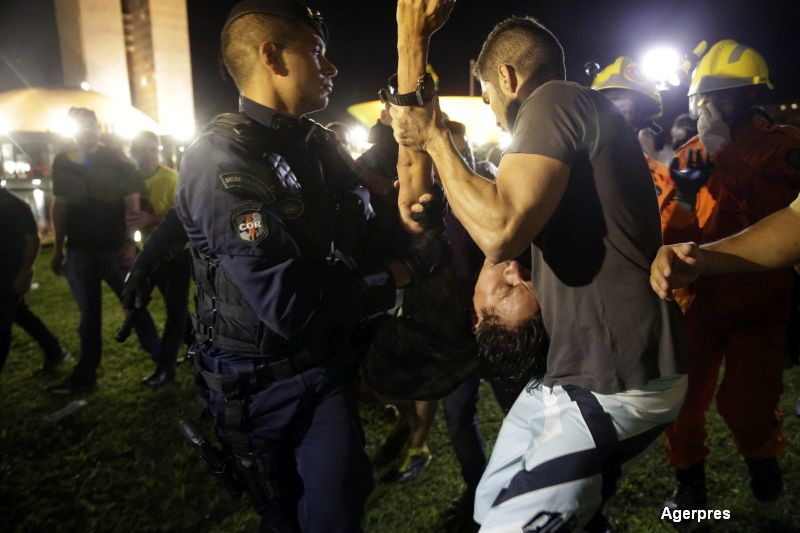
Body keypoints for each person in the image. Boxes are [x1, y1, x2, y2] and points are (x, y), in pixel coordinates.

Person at [390, 4, 686, 530]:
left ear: (506, 78)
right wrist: (411, 45)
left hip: (617, 378)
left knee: (509, 523)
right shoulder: (572, 119)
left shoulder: (553, 99)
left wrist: (436, 137)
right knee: (491, 503)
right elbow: (422, 159)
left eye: (487, 97)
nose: (494, 114)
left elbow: (500, 230)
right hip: (573, 374)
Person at [168, 1, 446, 530]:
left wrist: (416, 217)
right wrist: (399, 274)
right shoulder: (221, 160)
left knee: (339, 508)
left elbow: (368, 230)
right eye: (317, 53)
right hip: (258, 389)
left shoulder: (318, 145)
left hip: (322, 370)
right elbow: (288, 304)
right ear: (272, 56)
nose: (332, 67)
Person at [654, 39, 800, 509]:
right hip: (701, 299)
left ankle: (762, 460)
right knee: (684, 399)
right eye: (707, 100)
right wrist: (681, 192)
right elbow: (676, 229)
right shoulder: (692, 154)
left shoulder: (787, 147)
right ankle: (690, 479)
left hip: (763, 298)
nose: (711, 108)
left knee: (750, 403)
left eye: (720, 98)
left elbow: (778, 223)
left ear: (744, 98)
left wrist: (727, 158)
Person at [48, 107, 160, 394]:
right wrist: (59, 247)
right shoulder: (62, 162)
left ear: (98, 128)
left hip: (115, 250)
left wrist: (130, 242)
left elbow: (132, 204)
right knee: (89, 317)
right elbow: (61, 207)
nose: (88, 131)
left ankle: (162, 359)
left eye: (91, 126)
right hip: (79, 251)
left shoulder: (116, 159)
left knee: (134, 306)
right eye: (81, 126)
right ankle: (86, 376)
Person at [128, 131, 190, 387]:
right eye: (143, 149)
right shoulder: (130, 180)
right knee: (175, 309)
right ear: (134, 152)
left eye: (153, 149)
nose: (149, 154)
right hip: (147, 253)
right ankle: (200, 346)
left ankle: (166, 368)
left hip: (176, 254)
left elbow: (184, 215)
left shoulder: (171, 177)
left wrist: (150, 219)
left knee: (174, 309)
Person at [0, 188, 70, 375]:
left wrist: (24, 273)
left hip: (9, 275)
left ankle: (54, 350)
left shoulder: (14, 205)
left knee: (4, 324)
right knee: (20, 314)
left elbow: (33, 240)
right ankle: (53, 349)